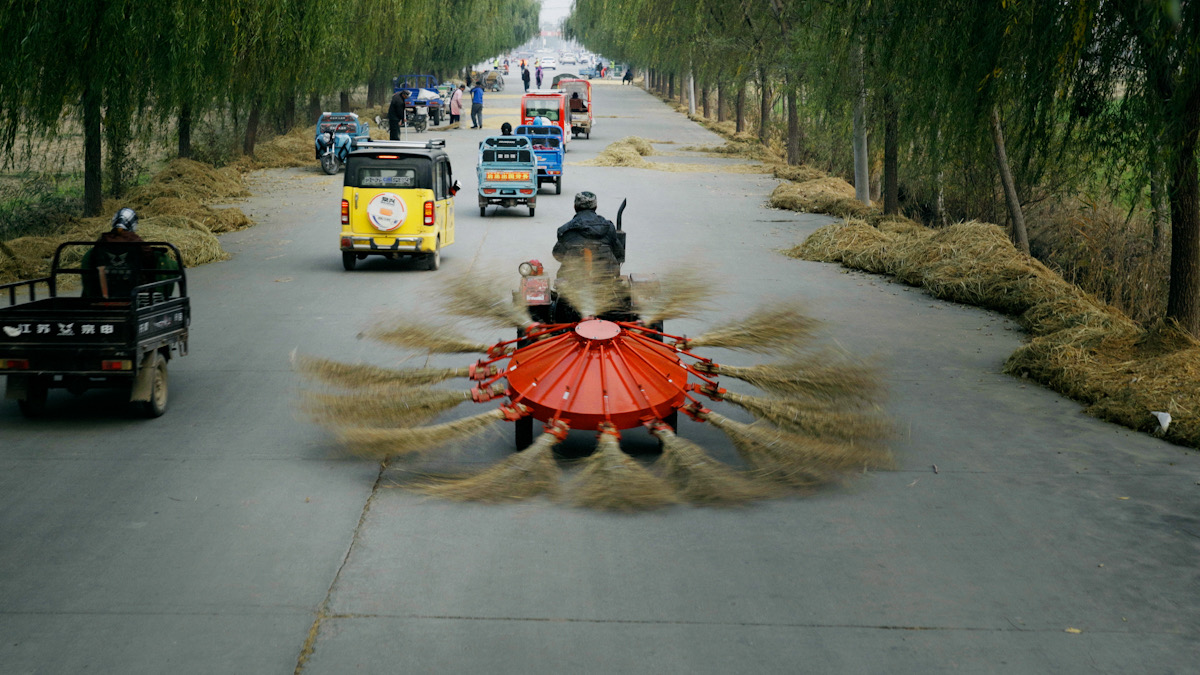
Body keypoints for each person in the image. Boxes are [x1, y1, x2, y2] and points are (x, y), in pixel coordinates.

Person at [552, 192, 625, 279]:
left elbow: (557, 254)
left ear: (575, 207)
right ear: (595, 207)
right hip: (605, 280)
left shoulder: (566, 230)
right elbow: (619, 254)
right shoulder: (609, 228)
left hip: (573, 282)